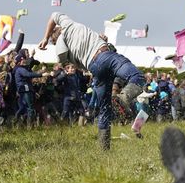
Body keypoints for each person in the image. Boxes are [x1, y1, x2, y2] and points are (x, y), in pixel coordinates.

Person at [37, 12, 146, 150]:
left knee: (105, 109)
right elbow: (54, 15)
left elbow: (74, 64)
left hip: (94, 68)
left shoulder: (64, 53)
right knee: (137, 76)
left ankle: (103, 149)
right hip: (105, 56)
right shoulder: (68, 24)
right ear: (59, 28)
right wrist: (45, 38)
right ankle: (123, 98)